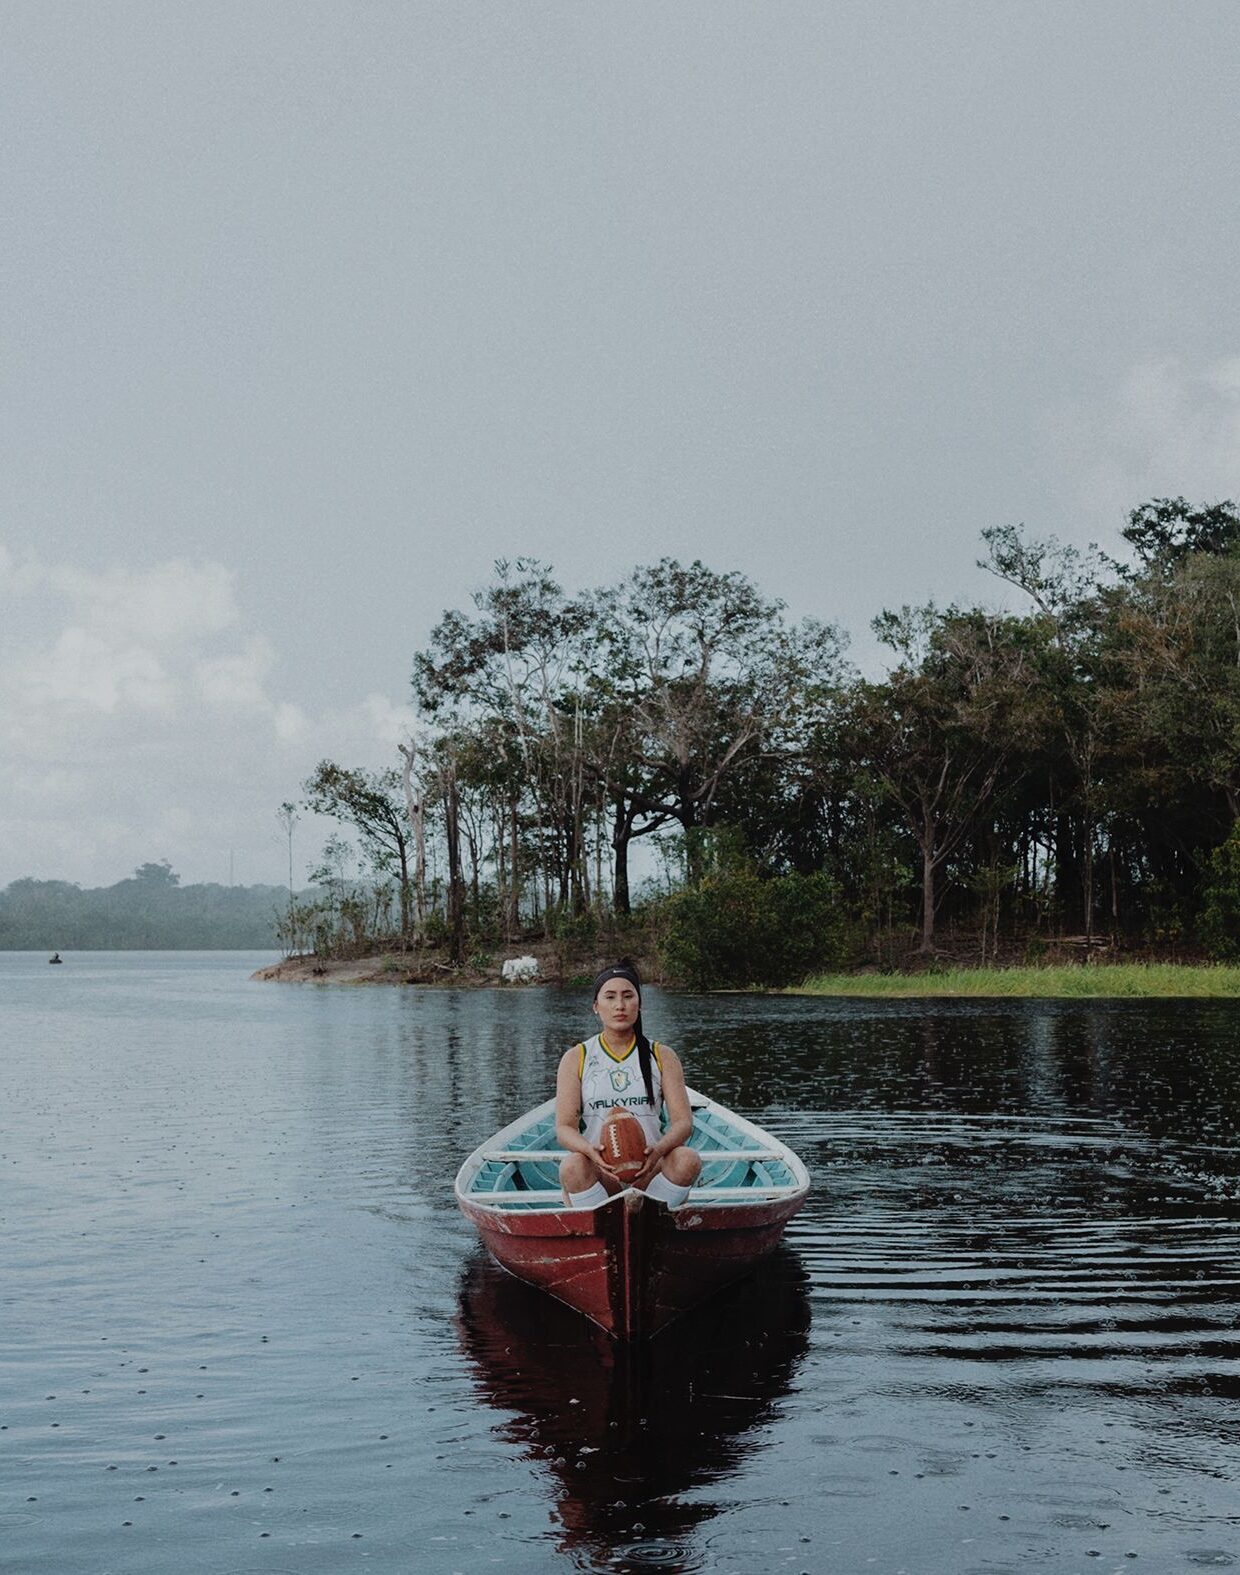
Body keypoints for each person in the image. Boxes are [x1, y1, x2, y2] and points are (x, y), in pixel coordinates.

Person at [555, 963, 702, 1209]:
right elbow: (564, 1128)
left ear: (640, 1004)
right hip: (602, 1173)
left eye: (628, 996)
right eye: (610, 997)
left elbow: (683, 1123)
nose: (619, 1005)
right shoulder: (577, 1057)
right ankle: (603, 1220)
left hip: (650, 1171)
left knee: (688, 1159)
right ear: (596, 1007)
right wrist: (589, 1151)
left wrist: (658, 1150)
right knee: (572, 1167)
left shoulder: (662, 1055)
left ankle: (653, 1213)